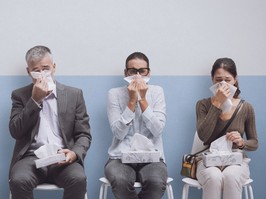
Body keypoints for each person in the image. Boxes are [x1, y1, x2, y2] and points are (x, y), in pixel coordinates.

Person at [8, 45, 92, 199]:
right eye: (36, 70)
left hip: (63, 157)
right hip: (30, 158)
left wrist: (74, 153)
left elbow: (83, 134)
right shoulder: (20, 95)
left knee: (78, 179)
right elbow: (15, 131)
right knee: (18, 180)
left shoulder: (74, 95)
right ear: (28, 72)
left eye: (45, 69)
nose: (41, 74)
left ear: (54, 67)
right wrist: (34, 100)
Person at [104, 52, 168, 199]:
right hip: (119, 157)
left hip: (153, 158)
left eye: (142, 71)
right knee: (120, 181)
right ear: (126, 73)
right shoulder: (114, 94)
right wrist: (132, 101)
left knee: (156, 181)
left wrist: (143, 100)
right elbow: (118, 133)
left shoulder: (157, 92)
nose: (138, 75)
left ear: (148, 72)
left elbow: (158, 130)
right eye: (133, 71)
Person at [196, 57, 258, 199]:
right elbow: (203, 136)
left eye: (227, 80)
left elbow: (255, 142)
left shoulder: (246, 107)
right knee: (214, 177)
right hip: (207, 159)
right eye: (218, 80)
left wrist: (242, 142)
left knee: (231, 176)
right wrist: (217, 103)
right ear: (212, 80)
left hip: (235, 159)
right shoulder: (203, 105)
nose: (223, 84)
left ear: (235, 79)